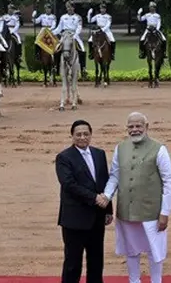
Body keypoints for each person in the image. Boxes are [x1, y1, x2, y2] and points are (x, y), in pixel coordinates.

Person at [99, 112, 171, 283]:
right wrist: (106, 195)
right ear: (126, 128)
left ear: (146, 127)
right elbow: (114, 176)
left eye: (138, 126)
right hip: (126, 209)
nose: (135, 130)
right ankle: (134, 281)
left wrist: (165, 212)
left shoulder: (159, 149)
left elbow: (170, 183)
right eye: (131, 127)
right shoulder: (121, 148)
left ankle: (156, 281)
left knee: (154, 251)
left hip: (152, 211)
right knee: (131, 250)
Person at [56, 119, 113, 283]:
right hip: (74, 219)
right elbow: (68, 184)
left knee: (96, 261)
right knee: (73, 263)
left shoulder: (99, 154)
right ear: (72, 136)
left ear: (91, 135)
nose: (82, 137)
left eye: (86, 134)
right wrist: (94, 198)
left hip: (97, 217)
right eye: (78, 134)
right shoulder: (64, 157)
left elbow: (104, 182)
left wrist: (108, 210)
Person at [52, 1, 86, 78]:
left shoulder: (78, 17)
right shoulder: (63, 17)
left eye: (70, 7)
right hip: (64, 35)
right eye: (67, 7)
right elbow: (59, 28)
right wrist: (51, 32)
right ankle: (55, 68)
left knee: (82, 49)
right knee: (56, 49)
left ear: (73, 8)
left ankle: (83, 68)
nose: (69, 8)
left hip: (74, 34)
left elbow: (79, 28)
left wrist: (75, 35)